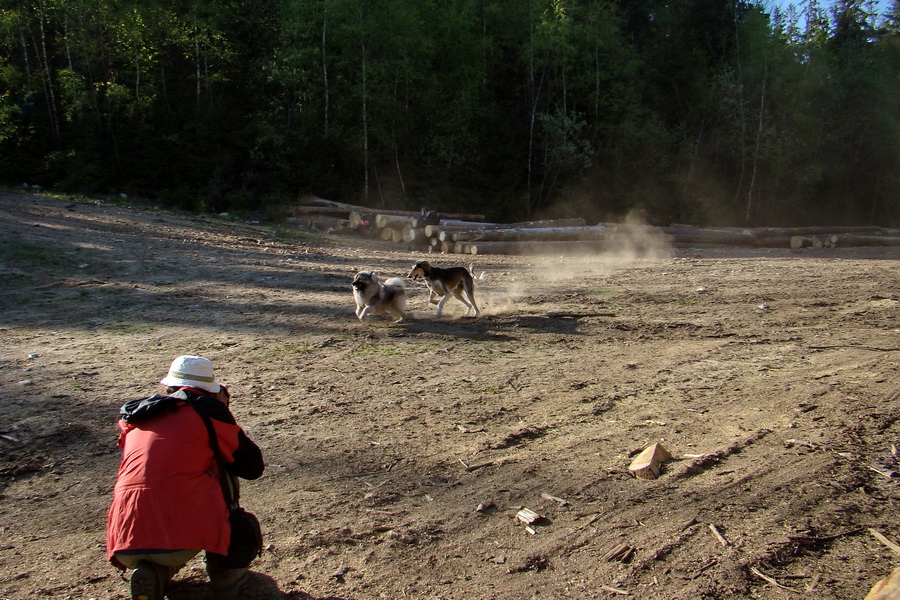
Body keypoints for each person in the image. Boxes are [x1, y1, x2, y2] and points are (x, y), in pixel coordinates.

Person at [106, 355, 265, 600]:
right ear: (210, 391)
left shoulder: (137, 418)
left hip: (125, 539)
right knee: (223, 475)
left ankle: (157, 571)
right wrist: (223, 412)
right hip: (180, 535)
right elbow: (252, 467)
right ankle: (226, 580)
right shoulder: (207, 414)